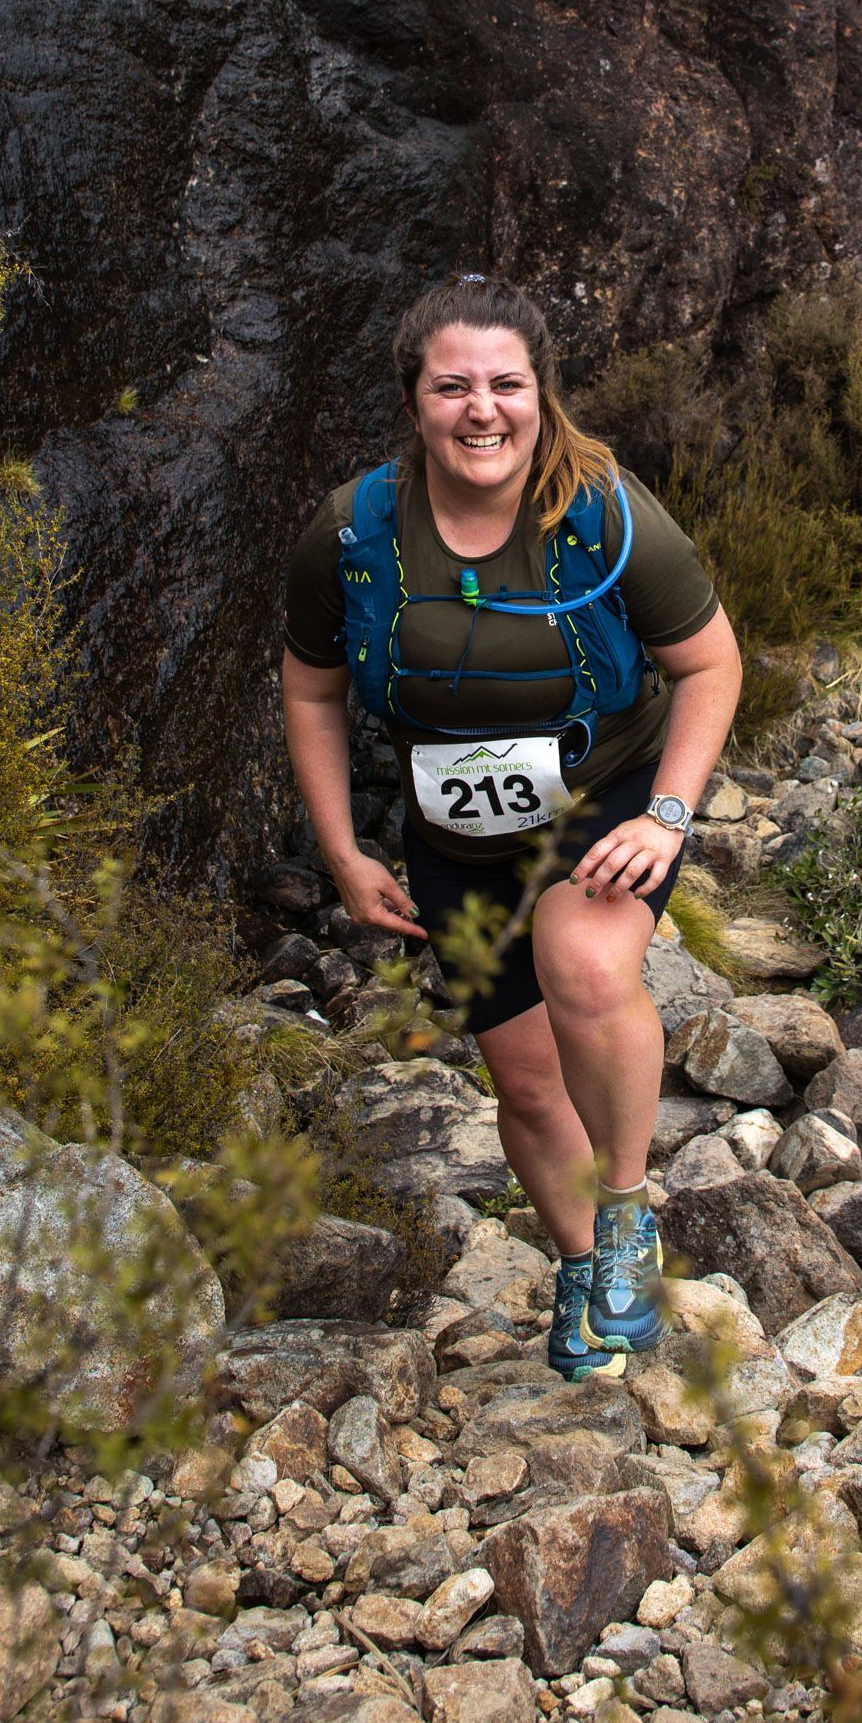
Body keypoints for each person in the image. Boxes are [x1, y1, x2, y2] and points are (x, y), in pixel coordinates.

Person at [281, 275, 742, 1380]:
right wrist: (345, 852)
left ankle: (625, 1216)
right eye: (452, 386)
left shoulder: (604, 512)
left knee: (581, 959)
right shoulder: (351, 532)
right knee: (527, 1080)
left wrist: (669, 817)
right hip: (458, 832)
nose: (480, 409)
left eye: (504, 384)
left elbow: (712, 662)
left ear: (540, 394)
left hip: (607, 804)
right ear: (414, 399)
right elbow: (310, 690)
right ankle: (589, 1275)